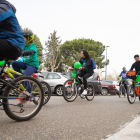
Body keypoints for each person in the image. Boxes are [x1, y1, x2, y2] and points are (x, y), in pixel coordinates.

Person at [12, 30, 39, 99]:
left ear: (29, 38)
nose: (23, 39)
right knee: (14, 63)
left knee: (25, 77)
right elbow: (18, 50)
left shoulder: (32, 45)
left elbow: (31, 51)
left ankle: (30, 94)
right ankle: (19, 75)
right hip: (26, 64)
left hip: (33, 65)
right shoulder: (23, 46)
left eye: (24, 37)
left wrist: (23, 53)